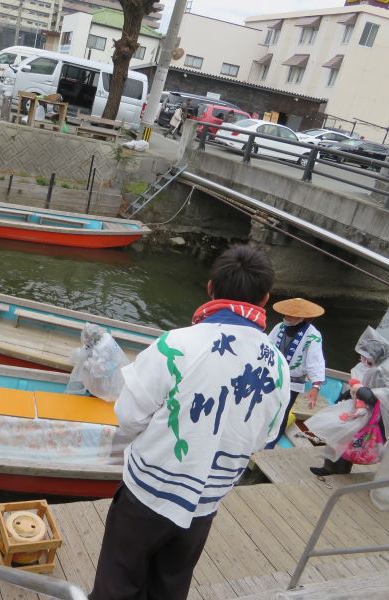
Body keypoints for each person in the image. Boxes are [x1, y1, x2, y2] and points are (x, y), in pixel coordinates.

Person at [89, 245, 290, 600]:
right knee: (170, 585)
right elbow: (267, 435)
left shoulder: (175, 344)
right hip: (206, 503)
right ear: (265, 298)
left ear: (211, 288)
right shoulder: (277, 364)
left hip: (146, 494)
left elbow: (128, 415)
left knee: (116, 584)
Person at [306, 327, 389, 511]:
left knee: (350, 441)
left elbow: (382, 397)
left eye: (364, 356)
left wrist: (359, 390)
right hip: (370, 412)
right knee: (342, 435)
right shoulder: (385, 364)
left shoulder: (386, 370)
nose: (361, 359)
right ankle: (329, 468)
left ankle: (339, 473)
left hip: (381, 418)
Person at [264, 298, 326, 449]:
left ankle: (272, 440)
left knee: (283, 409)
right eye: (286, 315)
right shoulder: (280, 327)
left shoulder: (313, 335)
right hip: (273, 375)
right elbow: (267, 345)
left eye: (290, 315)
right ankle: (261, 432)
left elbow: (315, 361)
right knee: (267, 405)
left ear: (302, 317)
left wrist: (315, 386)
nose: (286, 317)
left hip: (293, 381)